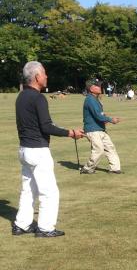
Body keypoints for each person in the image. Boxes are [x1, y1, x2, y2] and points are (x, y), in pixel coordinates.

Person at [13, 61, 84, 237]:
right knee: (49, 192)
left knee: (28, 189)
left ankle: (21, 224)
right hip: (38, 150)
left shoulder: (21, 96)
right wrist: (70, 132)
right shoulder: (38, 98)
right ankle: (45, 228)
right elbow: (46, 127)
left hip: (24, 149)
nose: (46, 76)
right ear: (37, 77)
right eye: (44, 73)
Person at [80, 79, 123, 174]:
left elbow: (100, 114)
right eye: (97, 86)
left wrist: (105, 119)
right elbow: (97, 115)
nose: (100, 87)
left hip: (100, 129)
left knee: (110, 147)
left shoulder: (95, 99)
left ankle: (115, 168)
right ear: (91, 88)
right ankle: (87, 168)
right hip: (93, 130)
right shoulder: (90, 99)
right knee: (98, 150)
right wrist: (111, 120)